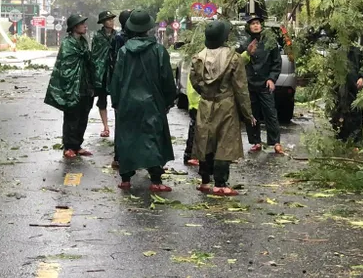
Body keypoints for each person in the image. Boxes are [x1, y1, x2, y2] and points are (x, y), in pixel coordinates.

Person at [109, 10, 176, 191]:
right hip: (152, 102)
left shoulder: (123, 51)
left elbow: (116, 79)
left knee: (128, 138)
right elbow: (167, 79)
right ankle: (155, 180)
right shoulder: (159, 51)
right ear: (148, 29)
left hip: (127, 102)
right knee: (152, 138)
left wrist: (116, 101)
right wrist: (169, 100)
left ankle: (126, 179)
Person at [190, 20, 254, 196]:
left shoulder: (198, 58)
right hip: (226, 104)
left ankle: (205, 181)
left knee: (205, 140)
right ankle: (220, 183)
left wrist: (205, 92)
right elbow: (241, 88)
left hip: (205, 103)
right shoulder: (234, 58)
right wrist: (248, 114)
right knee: (224, 143)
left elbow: (195, 82)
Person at [44, 14, 96, 159]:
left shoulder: (84, 43)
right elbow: (66, 66)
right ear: (74, 27)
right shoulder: (68, 44)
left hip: (85, 85)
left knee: (83, 116)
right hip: (72, 86)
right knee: (72, 116)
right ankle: (68, 146)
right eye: (82, 24)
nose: (85, 26)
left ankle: (77, 145)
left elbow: (88, 61)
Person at [237, 14, 284, 155]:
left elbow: (277, 62)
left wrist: (272, 79)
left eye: (257, 23)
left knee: (270, 113)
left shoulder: (270, 42)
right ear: (249, 27)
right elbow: (238, 62)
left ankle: (275, 142)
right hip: (250, 84)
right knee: (252, 114)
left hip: (265, 84)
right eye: (252, 24)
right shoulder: (245, 44)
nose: (256, 25)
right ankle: (255, 141)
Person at [108, 9, 133, 168]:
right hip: (125, 85)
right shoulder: (120, 39)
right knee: (124, 122)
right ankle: (119, 156)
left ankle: (123, 156)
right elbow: (114, 63)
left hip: (123, 85)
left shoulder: (123, 38)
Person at [333, 46, 363, 143]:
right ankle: (340, 138)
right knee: (340, 112)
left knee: (355, 113)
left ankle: (356, 140)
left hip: (355, 89)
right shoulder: (338, 51)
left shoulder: (358, 51)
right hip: (340, 89)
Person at [90, 10, 117, 138]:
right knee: (102, 100)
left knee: (117, 100)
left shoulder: (117, 36)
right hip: (101, 72)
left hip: (114, 73)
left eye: (112, 19)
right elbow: (95, 54)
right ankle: (105, 127)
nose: (111, 22)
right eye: (108, 20)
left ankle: (119, 127)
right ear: (103, 22)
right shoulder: (97, 36)